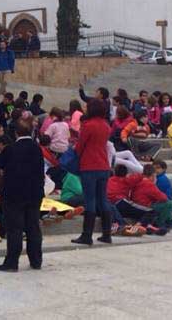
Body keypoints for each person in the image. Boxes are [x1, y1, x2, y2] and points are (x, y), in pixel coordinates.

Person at [0, 115, 44, 272]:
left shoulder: (11, 149)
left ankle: (12, 262)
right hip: (34, 193)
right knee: (33, 227)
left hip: (14, 194)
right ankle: (36, 260)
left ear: (16, 133)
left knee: (15, 229)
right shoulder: (37, 149)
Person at [71, 99, 113, 245]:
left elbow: (80, 146)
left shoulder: (88, 125)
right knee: (103, 200)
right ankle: (107, 234)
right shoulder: (106, 125)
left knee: (90, 200)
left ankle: (87, 235)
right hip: (103, 165)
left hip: (89, 166)